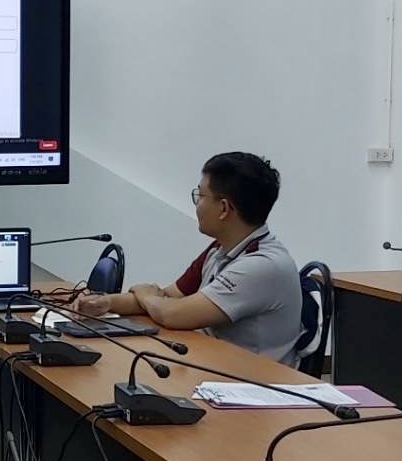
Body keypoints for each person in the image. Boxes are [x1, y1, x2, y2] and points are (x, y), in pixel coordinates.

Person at [77, 152, 302, 363]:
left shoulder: (261, 266)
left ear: (224, 208)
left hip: (251, 382)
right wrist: (106, 302)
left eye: (200, 196)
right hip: (214, 362)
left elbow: (172, 314)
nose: (197, 204)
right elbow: (167, 296)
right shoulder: (221, 248)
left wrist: (145, 294)